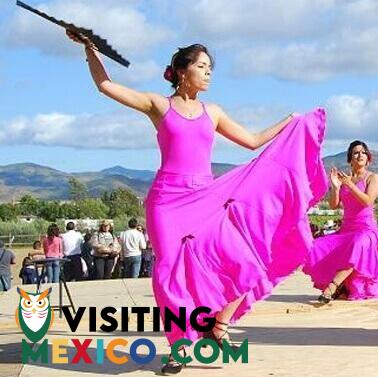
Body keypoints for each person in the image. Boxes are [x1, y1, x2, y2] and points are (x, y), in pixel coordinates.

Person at [66, 32, 328, 374]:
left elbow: (251, 141)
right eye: (202, 66)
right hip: (166, 202)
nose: (208, 73)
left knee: (242, 259)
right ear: (182, 70)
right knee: (169, 274)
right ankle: (178, 348)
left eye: (210, 67)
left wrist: (290, 122)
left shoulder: (213, 112)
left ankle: (218, 325)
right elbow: (106, 85)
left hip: (206, 197)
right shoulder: (158, 105)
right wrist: (90, 50)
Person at [303, 141, 378, 303]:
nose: (360, 155)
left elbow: (367, 201)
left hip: (366, 230)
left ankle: (333, 286)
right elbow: (334, 205)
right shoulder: (345, 180)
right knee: (316, 245)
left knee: (358, 244)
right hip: (346, 229)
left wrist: (349, 184)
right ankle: (342, 286)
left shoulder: (373, 178)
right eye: (356, 153)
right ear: (350, 159)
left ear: (368, 158)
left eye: (363, 152)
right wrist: (335, 187)